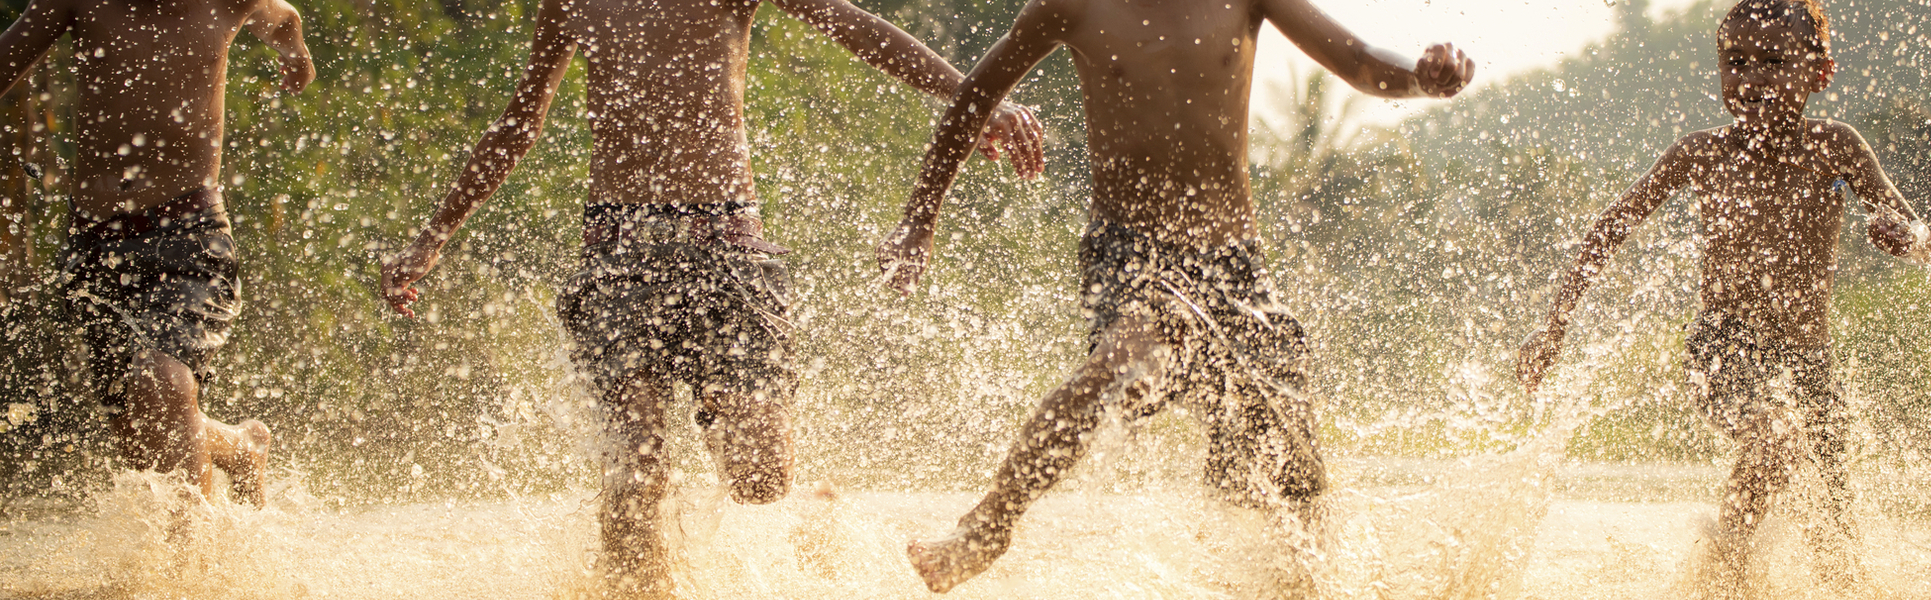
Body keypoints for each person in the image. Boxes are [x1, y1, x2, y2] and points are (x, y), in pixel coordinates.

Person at [375, 0, 1044, 594]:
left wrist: (974, 98)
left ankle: (794, 488)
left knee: (758, 479)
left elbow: (853, 26)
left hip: (725, 248)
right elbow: (522, 121)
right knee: (635, 474)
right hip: (616, 256)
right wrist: (433, 236)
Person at [875, 0, 1472, 591]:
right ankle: (988, 525)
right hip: (1131, 252)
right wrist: (919, 218)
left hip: (1234, 263)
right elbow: (973, 97)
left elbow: (1361, 62)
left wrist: (1421, 78)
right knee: (1129, 358)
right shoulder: (1071, 6)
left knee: (1293, 478)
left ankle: (1301, 578)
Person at [1516, 0, 1931, 596]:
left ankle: (1755, 573)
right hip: (1723, 345)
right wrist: (1553, 326)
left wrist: (1903, 235)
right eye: (1735, 62)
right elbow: (1612, 225)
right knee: (1771, 437)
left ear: (1819, 72)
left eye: (1772, 60)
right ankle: (1725, 575)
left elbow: (1921, 234)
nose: (1751, 77)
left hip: (1811, 363)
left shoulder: (1836, 146)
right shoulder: (1702, 153)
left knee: (1837, 536)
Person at [0, 0, 313, 510]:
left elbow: (282, 15)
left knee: (161, 385)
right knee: (140, 433)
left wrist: (294, 49)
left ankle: (193, 575)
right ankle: (243, 446)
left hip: (190, 230)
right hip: (96, 245)